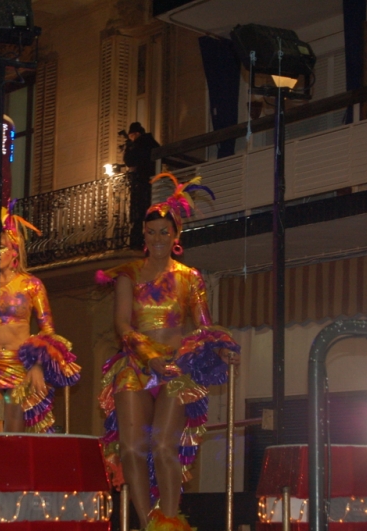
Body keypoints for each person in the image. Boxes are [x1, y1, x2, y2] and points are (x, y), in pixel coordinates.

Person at [96, 173, 240, 530]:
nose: (157, 238)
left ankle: (171, 520)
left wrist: (220, 348)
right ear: (143, 236)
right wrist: (150, 357)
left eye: (164, 232)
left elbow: (204, 326)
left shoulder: (190, 277)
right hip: (136, 366)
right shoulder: (128, 274)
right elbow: (122, 326)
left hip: (176, 367)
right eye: (151, 232)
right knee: (131, 449)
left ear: (176, 235)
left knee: (163, 446)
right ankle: (149, 524)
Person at [0, 205, 81, 432]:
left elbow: (47, 330)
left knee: (13, 430)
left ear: (14, 249)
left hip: (19, 365)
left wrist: (36, 366)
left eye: (1, 248)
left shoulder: (31, 285)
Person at [123, 122, 160, 249]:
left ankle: (137, 242)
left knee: (139, 213)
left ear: (136, 134)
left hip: (142, 182)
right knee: (146, 213)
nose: (131, 138)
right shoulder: (150, 142)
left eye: (132, 136)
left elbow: (129, 160)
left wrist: (128, 148)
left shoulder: (139, 144)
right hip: (149, 182)